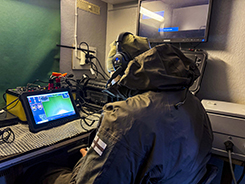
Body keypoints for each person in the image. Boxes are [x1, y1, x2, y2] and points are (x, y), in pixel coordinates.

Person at [18, 33, 213, 184]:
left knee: (38, 169)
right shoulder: (194, 102)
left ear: (125, 67)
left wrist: (90, 163)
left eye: (113, 70)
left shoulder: (124, 116)